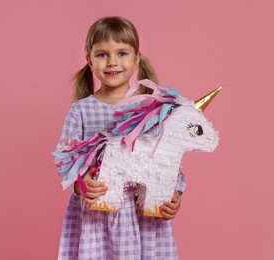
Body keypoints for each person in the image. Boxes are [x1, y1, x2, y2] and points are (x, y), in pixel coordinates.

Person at [55, 16, 186, 259]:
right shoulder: (81, 110)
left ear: (136, 59)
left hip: (144, 212)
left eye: (122, 53)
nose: (112, 61)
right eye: (102, 54)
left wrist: (175, 193)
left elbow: (168, 158)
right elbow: (66, 160)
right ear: (89, 60)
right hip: (99, 216)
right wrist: (82, 184)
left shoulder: (152, 109)